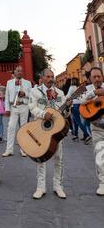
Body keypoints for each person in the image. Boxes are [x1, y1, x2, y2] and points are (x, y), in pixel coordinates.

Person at [29, 69, 67, 199]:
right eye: (48, 76)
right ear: (42, 77)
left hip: (57, 131)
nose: (51, 79)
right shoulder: (35, 92)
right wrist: (43, 114)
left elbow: (65, 113)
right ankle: (41, 187)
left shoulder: (60, 93)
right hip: (41, 129)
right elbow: (32, 107)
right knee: (41, 159)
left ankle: (58, 186)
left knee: (59, 158)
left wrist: (67, 108)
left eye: (52, 76)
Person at [78, 67, 104, 195]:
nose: (97, 79)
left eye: (99, 76)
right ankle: (102, 184)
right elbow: (81, 100)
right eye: (94, 77)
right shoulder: (86, 89)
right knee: (100, 157)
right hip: (97, 129)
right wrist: (94, 96)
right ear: (90, 79)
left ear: (102, 76)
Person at [2, 66, 32, 157]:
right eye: (18, 71)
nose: (19, 72)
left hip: (24, 106)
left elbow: (32, 95)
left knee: (23, 128)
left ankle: (23, 149)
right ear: (15, 72)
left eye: (21, 71)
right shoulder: (9, 82)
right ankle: (9, 149)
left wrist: (25, 93)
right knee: (11, 127)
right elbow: (7, 96)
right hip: (13, 107)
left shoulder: (28, 83)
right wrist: (7, 109)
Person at [66, 78, 91, 144]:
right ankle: (76, 135)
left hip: (74, 105)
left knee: (78, 121)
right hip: (79, 105)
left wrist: (64, 98)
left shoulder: (71, 87)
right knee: (75, 121)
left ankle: (87, 134)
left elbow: (68, 97)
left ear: (72, 81)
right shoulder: (78, 87)